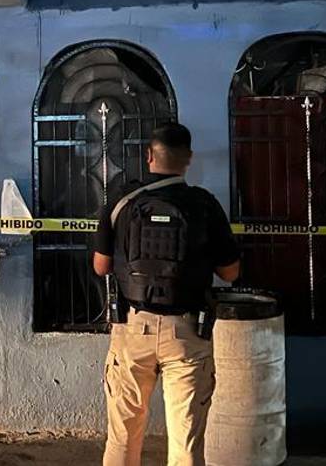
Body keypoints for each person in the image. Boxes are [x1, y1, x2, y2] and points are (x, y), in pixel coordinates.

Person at [93, 123, 241, 466]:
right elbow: (231, 273)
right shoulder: (204, 205)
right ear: (188, 159)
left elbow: (100, 266)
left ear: (149, 155)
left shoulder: (122, 201)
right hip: (187, 334)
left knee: (122, 438)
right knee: (186, 445)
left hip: (132, 330)